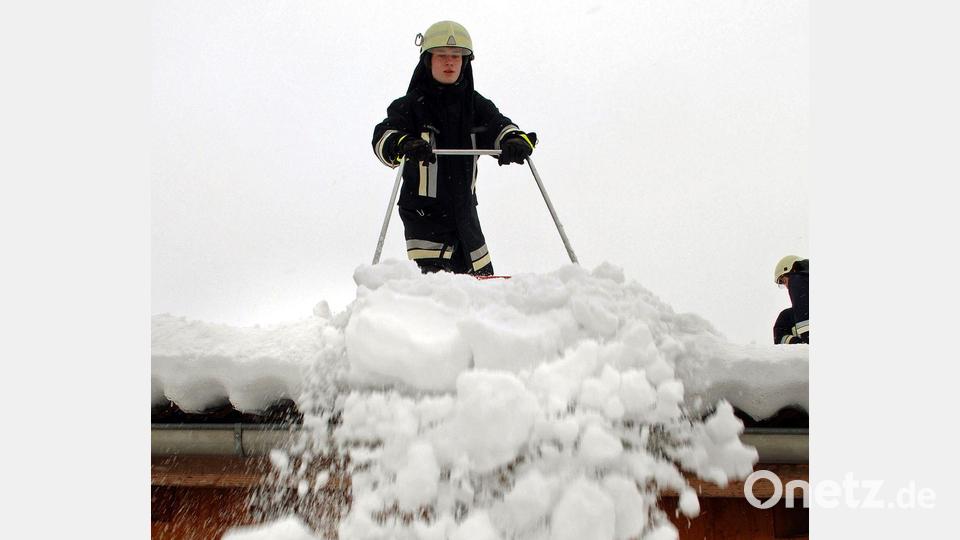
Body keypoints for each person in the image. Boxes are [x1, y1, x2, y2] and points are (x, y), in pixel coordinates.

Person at [371, 21, 536, 276]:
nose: (450, 62)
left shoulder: (475, 106)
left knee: (483, 291)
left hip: (467, 218)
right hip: (425, 220)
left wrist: (514, 140)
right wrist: (404, 143)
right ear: (428, 60)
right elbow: (383, 137)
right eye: (442, 56)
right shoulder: (410, 106)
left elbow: (499, 126)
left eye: (456, 56)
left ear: (465, 62)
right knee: (439, 296)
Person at [773, 255, 809, 344]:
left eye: (784, 281)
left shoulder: (798, 279)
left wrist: (806, 343)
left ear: (792, 270)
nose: (787, 287)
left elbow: (806, 327)